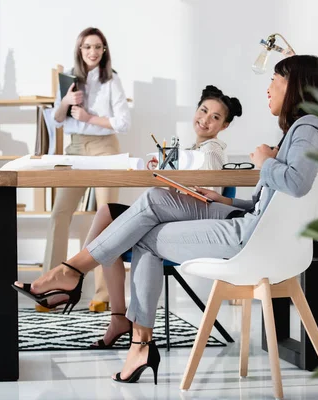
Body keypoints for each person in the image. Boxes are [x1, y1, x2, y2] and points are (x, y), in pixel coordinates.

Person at [14, 54, 318, 384]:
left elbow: (297, 184)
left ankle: (105, 307)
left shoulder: (308, 127)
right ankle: (75, 276)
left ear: (296, 85)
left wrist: (265, 162)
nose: (268, 88)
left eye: (276, 79)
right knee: (155, 200)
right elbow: (265, 203)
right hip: (254, 225)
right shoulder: (305, 128)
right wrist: (224, 198)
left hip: (251, 237)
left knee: (144, 236)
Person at [80, 85, 242, 348]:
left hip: (189, 228)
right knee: (107, 216)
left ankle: (110, 306)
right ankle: (117, 315)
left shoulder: (211, 150)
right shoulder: (193, 149)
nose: (206, 119)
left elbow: (208, 193)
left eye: (215, 117)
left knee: (110, 226)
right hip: (176, 217)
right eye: (203, 110)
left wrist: (175, 182)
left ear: (223, 126)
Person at [40, 27, 131, 312]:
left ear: (104, 51)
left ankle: (103, 294)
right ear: (80, 49)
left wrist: (90, 117)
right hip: (76, 148)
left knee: (107, 222)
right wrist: (66, 102)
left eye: (98, 47)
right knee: (59, 213)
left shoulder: (111, 80)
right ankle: (50, 287)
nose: (93, 52)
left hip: (105, 148)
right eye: (87, 47)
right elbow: (55, 121)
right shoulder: (68, 79)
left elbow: (123, 122)